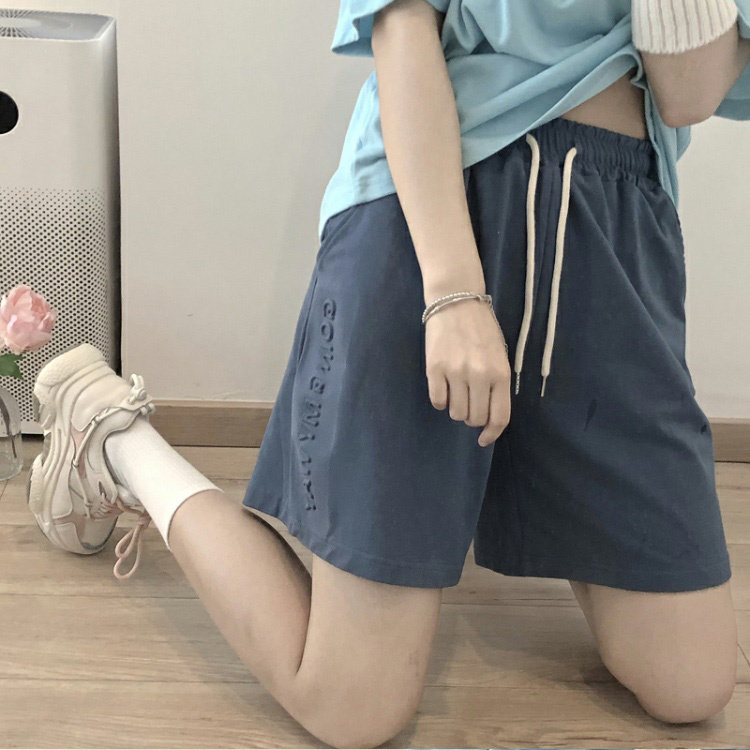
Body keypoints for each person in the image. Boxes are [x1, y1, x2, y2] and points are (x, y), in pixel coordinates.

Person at [26, 1, 750, 747]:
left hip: (616, 233)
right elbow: (401, 33)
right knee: (351, 705)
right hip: (432, 207)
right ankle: (115, 435)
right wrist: (454, 290)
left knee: (690, 682)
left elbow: (688, 93)